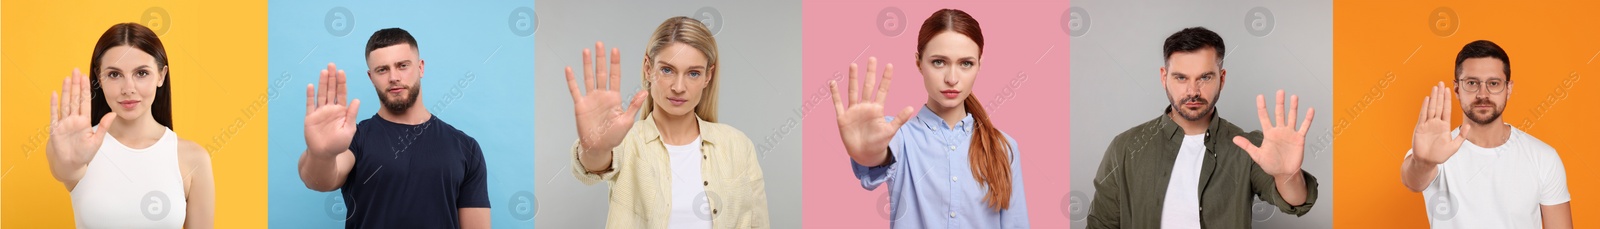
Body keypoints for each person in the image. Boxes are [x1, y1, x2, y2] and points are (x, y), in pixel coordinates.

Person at [1085, 27, 1319, 228]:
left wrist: (1288, 175)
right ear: (1163, 77)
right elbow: (1101, 224)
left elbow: (1295, 202)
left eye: (1205, 77)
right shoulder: (1125, 147)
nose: (1193, 91)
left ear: (1222, 78)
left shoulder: (1249, 146)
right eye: (1181, 78)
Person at [830, 9, 1029, 228]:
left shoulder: (1005, 147)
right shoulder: (898, 136)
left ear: (979, 65)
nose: (952, 79)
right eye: (938, 62)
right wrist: (870, 153)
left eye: (965, 64)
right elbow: (881, 152)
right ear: (919, 63)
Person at [566, 16, 770, 228]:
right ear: (648, 69)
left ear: (708, 77)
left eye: (693, 73)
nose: (679, 87)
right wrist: (595, 148)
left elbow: (758, 223)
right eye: (667, 70)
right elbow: (590, 169)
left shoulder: (737, 145)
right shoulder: (627, 142)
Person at [296, 28, 491, 228]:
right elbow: (319, 181)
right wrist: (321, 154)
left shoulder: (465, 147)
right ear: (371, 77)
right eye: (382, 70)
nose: (393, 77)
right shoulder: (355, 138)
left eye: (402, 66)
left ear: (421, 68)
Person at [46, 22, 215, 228]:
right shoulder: (79, 147)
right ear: (99, 77)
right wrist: (68, 163)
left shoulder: (193, 158)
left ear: (161, 75)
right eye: (114, 74)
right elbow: (64, 169)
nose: (128, 88)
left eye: (141, 73)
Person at [1399, 40, 1572, 228]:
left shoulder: (1543, 157)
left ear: (1509, 88)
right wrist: (1424, 163)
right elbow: (1413, 181)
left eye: (1493, 83)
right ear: (1457, 89)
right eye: (1472, 83)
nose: (1483, 94)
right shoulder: (1434, 152)